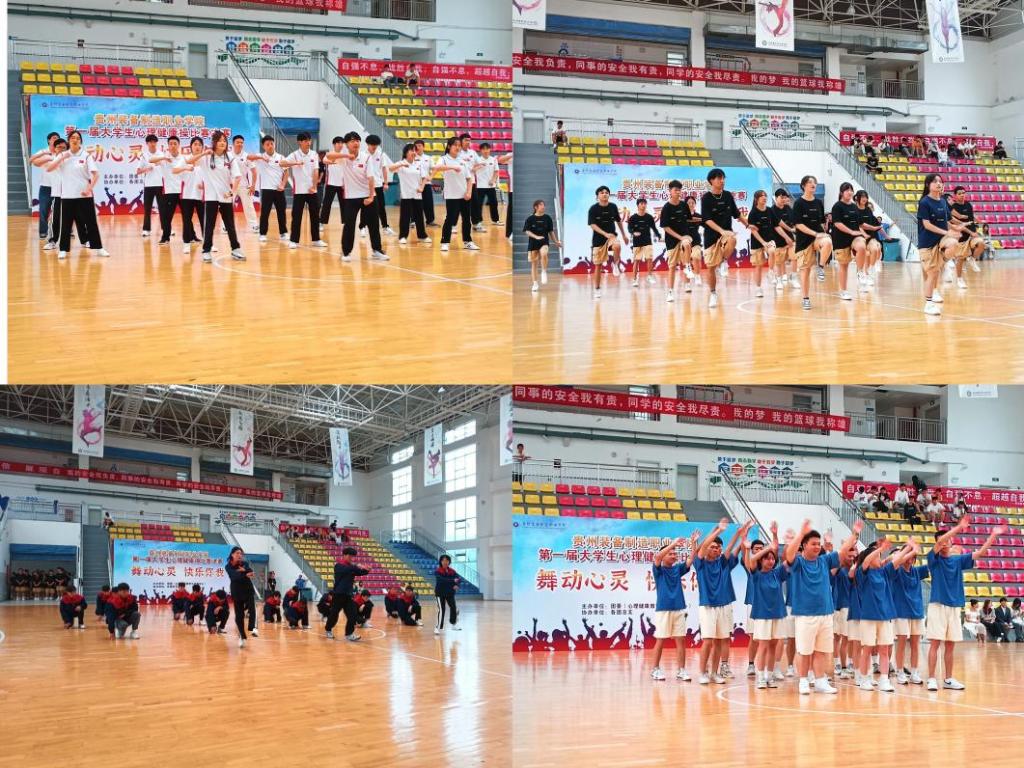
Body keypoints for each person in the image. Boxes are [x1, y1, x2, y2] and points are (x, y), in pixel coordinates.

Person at [783, 518, 863, 695]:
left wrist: (854, 534)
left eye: (818, 544)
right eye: (813, 544)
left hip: (826, 613)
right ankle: (803, 681)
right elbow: (789, 554)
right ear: (804, 545)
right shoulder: (798, 563)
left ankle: (820, 681)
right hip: (805, 614)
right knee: (804, 651)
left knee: (821, 650)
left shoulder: (825, 561)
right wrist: (801, 533)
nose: (817, 546)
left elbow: (843, 551)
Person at [926, 515, 1004, 690]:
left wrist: (993, 535)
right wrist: (959, 527)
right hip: (938, 605)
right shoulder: (933, 559)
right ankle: (931, 678)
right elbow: (941, 542)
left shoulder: (957, 560)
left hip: (954, 607)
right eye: (941, 541)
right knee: (935, 643)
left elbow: (980, 553)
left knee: (950, 645)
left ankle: (948, 679)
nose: (945, 543)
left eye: (947, 540)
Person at [851, 537, 916, 692]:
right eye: (876, 556)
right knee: (867, 649)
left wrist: (909, 548)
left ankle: (884, 680)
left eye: (879, 556)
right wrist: (880, 549)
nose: (879, 558)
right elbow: (866, 561)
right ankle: (865, 679)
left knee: (884, 650)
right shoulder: (862, 572)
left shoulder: (884, 572)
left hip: (885, 616)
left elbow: (898, 560)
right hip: (868, 617)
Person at [693, 517, 752, 684]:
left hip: (723, 606)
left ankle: (714, 672)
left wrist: (739, 534)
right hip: (708, 606)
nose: (715, 549)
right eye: (712, 547)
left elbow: (731, 549)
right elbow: (703, 547)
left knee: (720, 641)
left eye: (718, 547)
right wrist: (718, 530)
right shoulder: (700, 563)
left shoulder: (722, 563)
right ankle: (703, 673)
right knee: (708, 641)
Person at [45, 130, 110, 259]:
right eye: (72, 138)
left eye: (78, 138)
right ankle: (63, 249)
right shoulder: (63, 155)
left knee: (91, 222)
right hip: (67, 196)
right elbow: (49, 168)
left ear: (80, 141)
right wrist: (62, 157)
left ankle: (99, 248)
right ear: (69, 141)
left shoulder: (86, 156)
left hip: (84, 196)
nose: (75, 140)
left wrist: (89, 189)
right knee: (66, 223)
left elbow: (96, 174)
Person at [325, 132, 387, 262]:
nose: (356, 143)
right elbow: (328, 157)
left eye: (358, 140)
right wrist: (346, 155)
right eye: (352, 141)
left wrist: (371, 197)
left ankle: (377, 250)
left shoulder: (366, 157)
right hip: (351, 197)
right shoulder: (343, 157)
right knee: (349, 225)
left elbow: (371, 178)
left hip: (368, 196)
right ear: (346, 144)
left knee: (374, 224)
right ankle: (346, 252)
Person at [185, 131, 245, 263]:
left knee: (230, 225)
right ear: (214, 142)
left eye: (224, 140)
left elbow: (237, 176)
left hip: (226, 196)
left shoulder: (230, 157)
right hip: (211, 197)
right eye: (220, 140)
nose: (223, 142)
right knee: (209, 225)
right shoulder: (207, 157)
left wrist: (232, 192)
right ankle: (206, 251)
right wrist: (203, 153)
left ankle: (235, 249)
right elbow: (189, 161)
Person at [649, 532, 699, 682]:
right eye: (670, 553)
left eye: (674, 553)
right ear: (664, 555)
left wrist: (693, 543)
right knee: (661, 639)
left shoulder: (677, 569)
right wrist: (673, 544)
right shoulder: (658, 570)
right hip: (663, 609)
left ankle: (681, 670)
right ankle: (655, 669)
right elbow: (657, 557)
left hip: (679, 608)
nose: (673, 555)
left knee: (680, 640)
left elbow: (691, 559)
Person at [745, 523, 787, 689]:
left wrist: (775, 536)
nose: (770, 561)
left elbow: (787, 560)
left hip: (777, 614)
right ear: (761, 560)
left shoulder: (777, 573)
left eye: (772, 559)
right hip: (762, 615)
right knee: (763, 645)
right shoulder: (756, 575)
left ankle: (769, 676)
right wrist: (767, 548)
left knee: (773, 645)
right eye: (767, 558)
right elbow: (751, 560)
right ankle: (760, 676)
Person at [916, 173, 962, 316]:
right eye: (935, 181)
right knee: (932, 274)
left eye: (940, 181)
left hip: (941, 240)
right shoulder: (924, 202)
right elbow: (927, 225)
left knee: (954, 243)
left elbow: (946, 221)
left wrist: (955, 229)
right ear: (928, 185)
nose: (938, 183)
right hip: (927, 243)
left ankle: (946, 263)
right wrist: (947, 232)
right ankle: (928, 304)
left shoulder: (942, 201)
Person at [700, 168, 747, 308]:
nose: (722, 181)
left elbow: (736, 213)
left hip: (726, 236)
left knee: (732, 239)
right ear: (711, 181)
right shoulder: (706, 198)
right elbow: (707, 220)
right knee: (710, 268)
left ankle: (724, 262)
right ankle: (713, 293)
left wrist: (747, 224)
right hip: (711, 237)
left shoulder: (727, 196)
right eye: (719, 178)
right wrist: (721, 231)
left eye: (723, 178)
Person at [278, 132, 326, 251]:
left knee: (315, 215)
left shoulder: (314, 154)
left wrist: (314, 186)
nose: (308, 143)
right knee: (297, 216)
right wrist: (295, 163)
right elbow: (281, 163)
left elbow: (316, 170)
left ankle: (316, 239)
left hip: (312, 191)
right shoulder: (294, 155)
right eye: (305, 141)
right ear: (299, 142)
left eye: (309, 140)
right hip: (299, 191)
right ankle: (293, 240)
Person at [889, 541, 928, 685]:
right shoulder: (896, 570)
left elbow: (933, 564)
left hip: (916, 611)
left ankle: (914, 672)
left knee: (916, 644)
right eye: (908, 554)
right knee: (901, 643)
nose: (910, 558)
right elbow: (896, 561)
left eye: (913, 555)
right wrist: (908, 550)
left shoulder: (917, 571)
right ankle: (900, 671)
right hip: (901, 612)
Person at [792, 175, 832, 311]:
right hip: (804, 239)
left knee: (828, 242)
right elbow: (798, 225)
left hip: (817, 237)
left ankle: (820, 267)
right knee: (805, 271)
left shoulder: (819, 203)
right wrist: (815, 233)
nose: (813, 184)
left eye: (815, 182)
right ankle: (805, 298)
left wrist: (823, 232)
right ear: (803, 186)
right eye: (810, 182)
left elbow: (821, 222)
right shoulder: (798, 203)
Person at [435, 137, 477, 253]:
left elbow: (469, 178)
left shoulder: (462, 161)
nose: (457, 147)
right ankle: (445, 242)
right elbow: (437, 168)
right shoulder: (444, 159)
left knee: (466, 219)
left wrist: (469, 192)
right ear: (449, 146)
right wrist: (453, 167)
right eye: (455, 145)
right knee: (450, 219)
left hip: (464, 195)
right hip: (451, 195)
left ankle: (468, 241)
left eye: (459, 145)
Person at [245, 135, 290, 243]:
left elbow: (286, 172)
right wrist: (261, 158)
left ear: (274, 144)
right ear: (263, 146)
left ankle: (283, 233)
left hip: (279, 190)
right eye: (267, 144)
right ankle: (262, 234)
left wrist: (283, 185)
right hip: (266, 189)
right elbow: (248, 157)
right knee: (265, 213)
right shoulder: (261, 157)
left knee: (281, 212)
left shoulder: (281, 157)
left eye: (271, 144)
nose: (270, 146)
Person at [588, 185, 628, 299]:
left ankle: (615, 264)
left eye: (606, 192)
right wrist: (604, 233)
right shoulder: (593, 209)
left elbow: (618, 221)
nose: (604, 194)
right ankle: (597, 289)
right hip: (598, 240)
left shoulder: (613, 207)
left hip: (611, 237)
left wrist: (624, 235)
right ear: (597, 196)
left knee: (617, 245)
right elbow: (592, 225)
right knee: (598, 266)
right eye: (602, 193)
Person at [829, 182, 866, 301]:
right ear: (841, 192)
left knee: (861, 246)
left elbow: (860, 223)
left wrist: (869, 230)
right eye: (847, 190)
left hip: (855, 237)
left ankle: (860, 272)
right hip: (840, 238)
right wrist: (851, 231)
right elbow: (837, 223)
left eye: (851, 190)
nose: (849, 192)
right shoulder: (837, 206)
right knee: (844, 265)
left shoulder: (854, 206)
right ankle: (844, 291)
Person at [389, 143, 431, 245]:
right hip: (406, 195)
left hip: (417, 195)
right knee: (405, 217)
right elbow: (390, 168)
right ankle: (403, 236)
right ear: (406, 152)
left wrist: (422, 187)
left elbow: (425, 177)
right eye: (411, 150)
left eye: (415, 150)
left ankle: (422, 236)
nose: (414, 152)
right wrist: (401, 165)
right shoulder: (401, 163)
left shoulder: (418, 164)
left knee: (419, 217)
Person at [325, 546, 370, 641]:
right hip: (338, 595)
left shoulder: (351, 567)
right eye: (350, 556)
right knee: (334, 615)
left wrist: (367, 569)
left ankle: (349, 634)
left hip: (348, 595)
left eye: (353, 557)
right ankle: (328, 630)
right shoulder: (339, 566)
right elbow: (348, 569)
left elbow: (360, 572)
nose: (351, 558)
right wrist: (357, 566)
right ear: (344, 555)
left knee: (353, 615)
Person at [658, 181, 691, 301]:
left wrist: (703, 220)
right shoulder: (666, 208)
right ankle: (670, 292)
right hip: (671, 240)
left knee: (687, 244)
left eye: (679, 190)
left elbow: (689, 219)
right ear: (670, 191)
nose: (678, 192)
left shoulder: (684, 205)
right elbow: (665, 227)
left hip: (684, 236)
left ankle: (688, 270)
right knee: (672, 266)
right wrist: (679, 237)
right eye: (675, 190)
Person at [30, 131, 62, 243]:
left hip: (60, 186)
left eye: (57, 138)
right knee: (43, 210)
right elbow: (35, 162)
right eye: (54, 138)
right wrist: (48, 158)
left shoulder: (62, 152)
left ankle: (67, 231)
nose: (56, 140)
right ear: (49, 140)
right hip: (45, 186)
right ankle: (43, 231)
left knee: (62, 210)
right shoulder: (43, 152)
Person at [136, 133, 168, 238]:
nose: (152, 144)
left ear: (156, 143)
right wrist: (147, 169)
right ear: (147, 143)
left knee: (163, 208)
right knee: (147, 208)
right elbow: (138, 171)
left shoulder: (161, 154)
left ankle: (166, 229)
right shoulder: (144, 156)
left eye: (154, 142)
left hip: (160, 185)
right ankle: (146, 229)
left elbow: (167, 169)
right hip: (148, 185)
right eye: (150, 142)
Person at [225, 546, 258, 648]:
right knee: (239, 616)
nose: (239, 555)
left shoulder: (245, 563)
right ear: (232, 554)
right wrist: (245, 573)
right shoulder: (228, 566)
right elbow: (234, 577)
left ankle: (253, 628)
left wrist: (247, 572)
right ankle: (242, 636)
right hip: (237, 592)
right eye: (237, 553)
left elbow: (251, 572)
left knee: (252, 609)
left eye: (241, 553)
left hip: (248, 590)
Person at [950, 186, 985, 282]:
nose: (962, 195)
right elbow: (956, 223)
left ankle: (972, 259)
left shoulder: (968, 204)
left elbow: (971, 217)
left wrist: (978, 221)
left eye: (963, 193)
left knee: (981, 244)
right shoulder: (953, 208)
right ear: (955, 195)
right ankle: (958, 278)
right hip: (961, 236)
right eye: (959, 193)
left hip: (972, 234)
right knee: (960, 259)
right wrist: (970, 232)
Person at [746, 190, 776, 299]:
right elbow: (753, 230)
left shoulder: (770, 210)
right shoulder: (753, 213)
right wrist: (762, 242)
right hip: (757, 241)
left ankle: (771, 272)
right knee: (758, 266)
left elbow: (777, 223)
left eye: (765, 196)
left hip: (769, 239)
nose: (764, 198)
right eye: (762, 196)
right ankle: (758, 288)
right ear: (756, 199)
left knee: (772, 251)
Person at [364, 134, 395, 237]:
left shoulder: (380, 155)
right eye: (372, 144)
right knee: (366, 207)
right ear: (368, 144)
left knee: (381, 207)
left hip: (378, 184)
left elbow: (384, 169)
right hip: (367, 186)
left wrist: (385, 182)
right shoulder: (363, 155)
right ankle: (363, 227)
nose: (374, 146)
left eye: (376, 145)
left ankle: (385, 227)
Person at [524, 199, 558, 292]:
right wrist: (536, 237)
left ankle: (544, 271)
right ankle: (535, 284)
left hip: (544, 242)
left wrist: (556, 241)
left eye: (544, 205)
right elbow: (527, 231)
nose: (543, 206)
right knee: (534, 264)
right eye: (541, 205)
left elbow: (551, 231)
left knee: (544, 253)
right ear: (536, 207)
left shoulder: (547, 218)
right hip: (533, 243)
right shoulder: (530, 219)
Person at [627, 198, 661, 289]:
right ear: (638, 205)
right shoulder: (633, 218)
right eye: (641, 203)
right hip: (637, 242)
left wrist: (658, 235)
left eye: (645, 203)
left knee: (649, 258)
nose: (643, 205)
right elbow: (629, 228)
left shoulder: (649, 217)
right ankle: (634, 279)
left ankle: (650, 276)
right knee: (636, 261)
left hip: (647, 241)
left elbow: (654, 228)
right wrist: (633, 232)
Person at [769, 188, 796, 290]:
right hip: (778, 239)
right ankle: (779, 279)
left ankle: (794, 277)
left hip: (790, 238)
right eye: (781, 197)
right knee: (779, 261)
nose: (784, 199)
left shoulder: (788, 208)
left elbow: (793, 221)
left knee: (794, 257)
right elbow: (778, 225)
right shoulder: (772, 210)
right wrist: (788, 233)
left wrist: (795, 229)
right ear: (776, 198)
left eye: (785, 197)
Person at [470, 142, 501, 233]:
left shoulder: (493, 159)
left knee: (494, 203)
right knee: (478, 205)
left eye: (487, 149)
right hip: (479, 186)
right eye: (483, 149)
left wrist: (493, 180)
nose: (486, 151)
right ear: (480, 151)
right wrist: (478, 167)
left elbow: (496, 171)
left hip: (491, 186)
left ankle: (495, 220)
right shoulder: (477, 160)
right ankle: (478, 221)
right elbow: (471, 170)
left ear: (490, 150)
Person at [434, 554, 462, 634]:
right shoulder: (438, 571)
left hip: (450, 593)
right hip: (440, 593)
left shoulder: (452, 571)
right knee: (442, 610)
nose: (445, 562)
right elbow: (441, 580)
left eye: (447, 560)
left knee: (453, 607)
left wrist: (457, 585)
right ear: (440, 562)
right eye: (443, 560)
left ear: (449, 562)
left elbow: (459, 579)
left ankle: (453, 624)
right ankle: (438, 627)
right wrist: (453, 581)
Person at [413, 139, 436, 227]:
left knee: (428, 202)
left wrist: (431, 177)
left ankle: (430, 221)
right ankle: (413, 221)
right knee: (415, 203)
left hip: (426, 183)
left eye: (419, 146)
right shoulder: (412, 157)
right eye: (416, 146)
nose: (418, 147)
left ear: (423, 147)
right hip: (415, 183)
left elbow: (434, 168)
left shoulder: (428, 158)